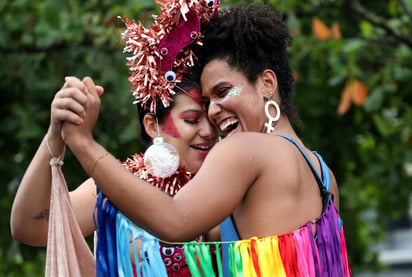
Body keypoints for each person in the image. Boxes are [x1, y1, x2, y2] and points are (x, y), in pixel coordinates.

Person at [61, 2, 351, 276]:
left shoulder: (245, 149)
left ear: (267, 83)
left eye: (223, 92)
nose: (213, 111)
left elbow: (174, 221)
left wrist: (84, 143)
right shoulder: (323, 174)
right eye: (209, 100)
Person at [10, 0, 220, 275]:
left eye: (214, 117)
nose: (208, 131)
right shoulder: (116, 188)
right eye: (192, 119)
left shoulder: (228, 185)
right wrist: (55, 136)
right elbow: (29, 226)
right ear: (152, 125)